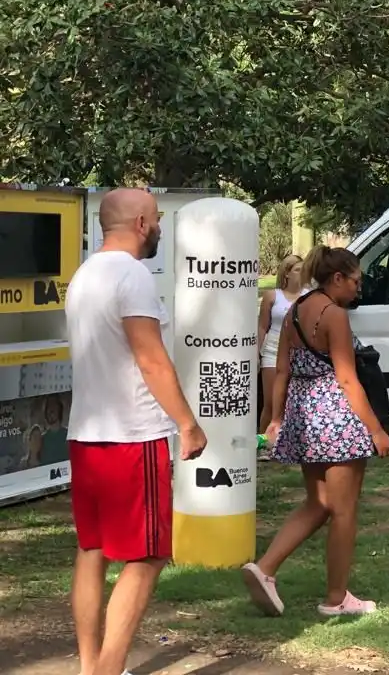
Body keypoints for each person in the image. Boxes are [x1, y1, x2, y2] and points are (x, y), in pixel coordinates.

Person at [65, 188, 208, 675]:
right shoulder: (132, 276)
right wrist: (187, 424)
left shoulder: (85, 275)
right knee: (147, 557)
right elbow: (151, 360)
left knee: (93, 550)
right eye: (158, 219)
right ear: (142, 223)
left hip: (86, 434)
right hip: (132, 437)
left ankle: (91, 667)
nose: (160, 227)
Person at [242, 245, 389, 618]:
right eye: (355, 281)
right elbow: (346, 378)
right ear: (337, 278)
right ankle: (336, 598)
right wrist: (376, 430)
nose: (359, 288)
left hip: (304, 415)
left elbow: (282, 370)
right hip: (337, 417)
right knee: (344, 511)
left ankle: (265, 569)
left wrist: (277, 418)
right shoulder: (334, 315)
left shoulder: (294, 311)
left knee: (318, 502)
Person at [257, 254, 305, 436]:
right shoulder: (272, 296)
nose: (301, 273)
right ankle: (263, 440)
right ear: (287, 273)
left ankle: (286, 441)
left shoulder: (308, 296)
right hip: (272, 350)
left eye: (303, 270)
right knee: (271, 403)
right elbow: (263, 326)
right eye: (297, 270)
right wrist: (257, 353)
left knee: (290, 402)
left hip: (297, 352)